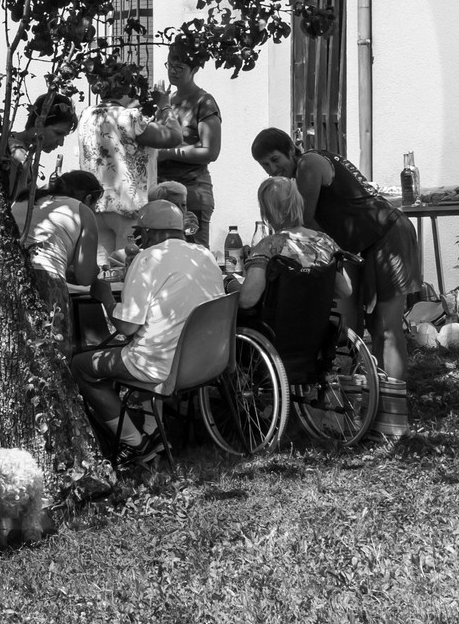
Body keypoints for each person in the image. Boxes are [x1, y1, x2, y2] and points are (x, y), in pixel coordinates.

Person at [250, 127, 422, 385]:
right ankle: (380, 395)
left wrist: (275, 247)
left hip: (389, 234)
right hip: (370, 242)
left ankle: (394, 402)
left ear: (290, 150)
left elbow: (302, 222)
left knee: (387, 328)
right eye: (264, 165)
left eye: (275, 160)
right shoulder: (301, 171)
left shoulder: (308, 163)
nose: (272, 169)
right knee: (375, 326)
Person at [0, 171, 107, 459]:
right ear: (88, 197)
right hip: (45, 285)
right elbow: (86, 275)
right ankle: (50, 450)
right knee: (50, 367)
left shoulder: (25, 201)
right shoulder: (82, 211)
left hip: (0, 283)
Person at [70, 199, 226, 459]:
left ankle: (134, 443)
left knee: (80, 366)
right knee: (149, 338)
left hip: (161, 365)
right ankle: (155, 432)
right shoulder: (204, 254)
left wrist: (106, 298)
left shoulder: (147, 258)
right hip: (207, 361)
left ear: (150, 232)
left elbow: (127, 327)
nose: (136, 240)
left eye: (138, 234)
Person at [136, 45, 222, 249]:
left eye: (180, 67)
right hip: (162, 191)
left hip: (192, 190)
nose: (172, 71)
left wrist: (167, 154)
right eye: (170, 65)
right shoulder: (166, 101)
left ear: (194, 70)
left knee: (194, 252)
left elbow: (211, 151)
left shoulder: (204, 101)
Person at [236, 179, 341, 313]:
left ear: (267, 211)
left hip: (276, 328)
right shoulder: (325, 242)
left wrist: (232, 285)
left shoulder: (268, 246)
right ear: (298, 203)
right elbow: (344, 290)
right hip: (318, 328)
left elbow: (247, 299)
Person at [7, 92, 78, 202]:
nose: (61, 143)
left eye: (64, 136)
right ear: (38, 124)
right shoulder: (18, 154)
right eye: (58, 133)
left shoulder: (21, 149)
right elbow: (19, 205)